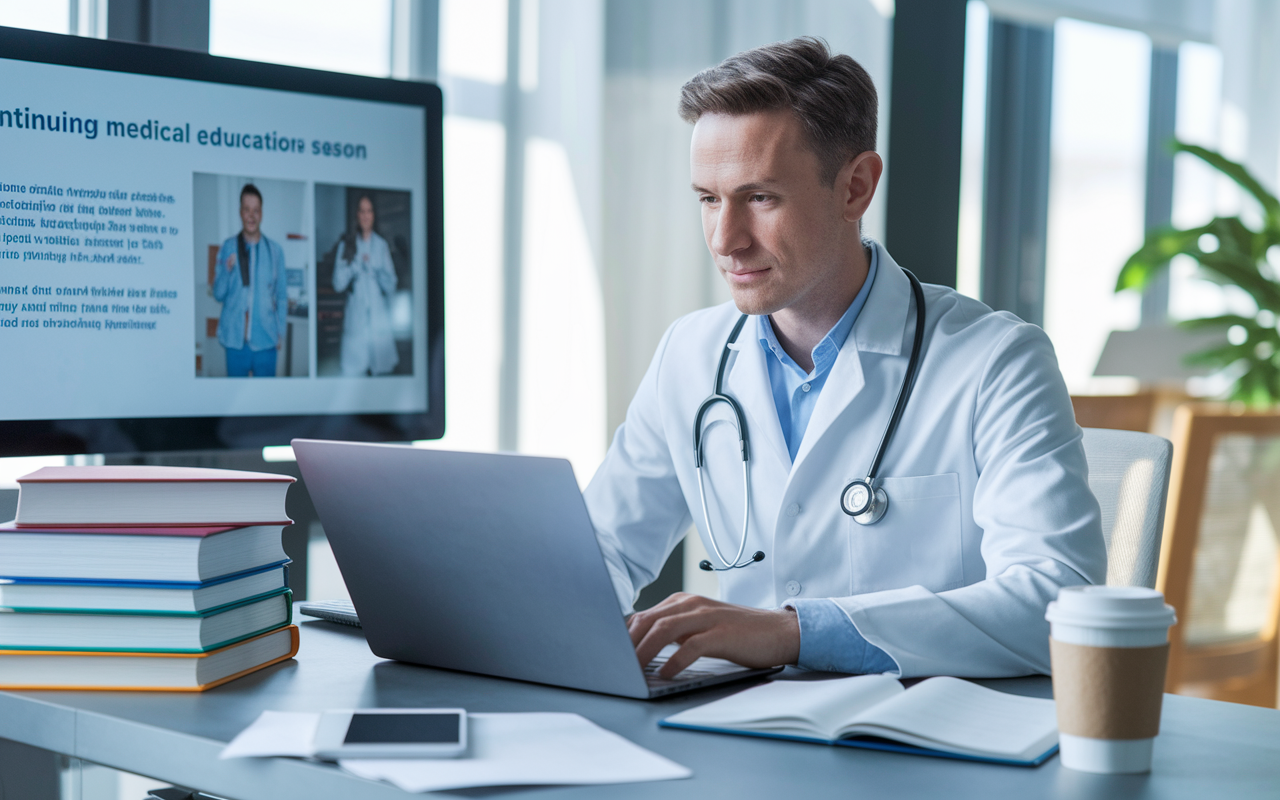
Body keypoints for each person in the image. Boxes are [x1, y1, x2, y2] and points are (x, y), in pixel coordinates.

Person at [584, 38, 1105, 681]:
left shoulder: (997, 362)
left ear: (855, 187)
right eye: (708, 198)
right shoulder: (688, 356)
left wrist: (792, 633)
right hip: (740, 735)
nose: (726, 240)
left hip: (924, 747)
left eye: (761, 198)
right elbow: (598, 552)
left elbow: (1056, 600)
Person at [213, 184, 288, 378]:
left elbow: (281, 296)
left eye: (256, 210)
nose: (251, 215)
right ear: (240, 212)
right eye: (247, 210)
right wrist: (226, 271)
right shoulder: (228, 247)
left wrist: (280, 332)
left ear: (261, 214)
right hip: (234, 344)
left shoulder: (275, 251)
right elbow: (218, 294)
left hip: (266, 342)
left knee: (265, 401)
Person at [332, 194, 399, 376]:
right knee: (355, 376)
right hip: (356, 322)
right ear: (356, 214)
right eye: (362, 211)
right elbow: (337, 284)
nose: (365, 215)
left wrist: (377, 270)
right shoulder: (346, 244)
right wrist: (354, 266)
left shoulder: (381, 245)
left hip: (378, 321)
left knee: (380, 376)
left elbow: (391, 285)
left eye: (369, 211)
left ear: (374, 215)